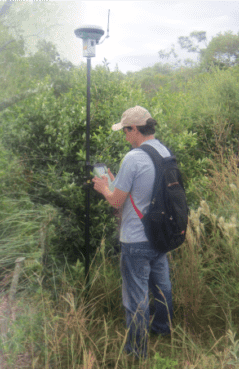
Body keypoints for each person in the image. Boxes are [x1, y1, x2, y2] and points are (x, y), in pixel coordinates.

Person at [92, 105, 175, 359]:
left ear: (135, 129)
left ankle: (137, 352)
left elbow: (117, 201)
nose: (125, 136)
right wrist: (118, 184)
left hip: (136, 239)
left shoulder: (133, 158)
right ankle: (163, 328)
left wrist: (104, 188)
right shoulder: (163, 151)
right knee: (162, 287)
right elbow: (142, 191)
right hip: (160, 235)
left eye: (126, 131)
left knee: (136, 298)